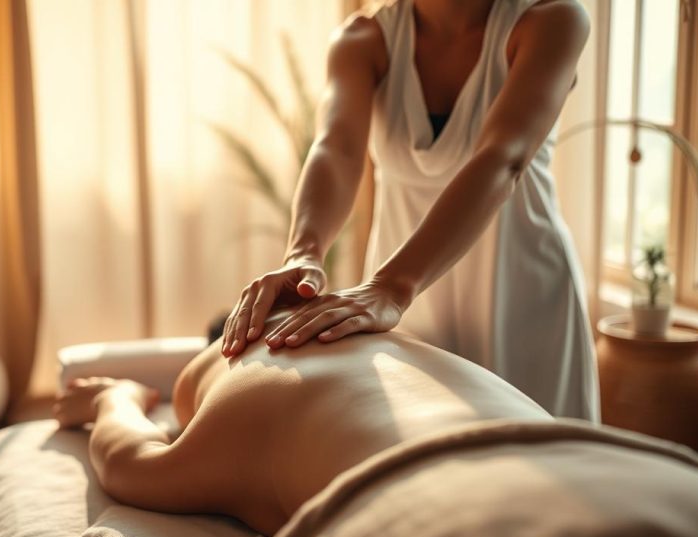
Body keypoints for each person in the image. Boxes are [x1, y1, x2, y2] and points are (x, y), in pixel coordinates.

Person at [220, 0, 598, 420]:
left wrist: (392, 286)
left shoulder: (551, 20)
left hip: (518, 304)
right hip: (403, 311)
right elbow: (337, 150)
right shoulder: (361, 40)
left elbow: (501, 158)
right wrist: (303, 253)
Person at [53, 309, 550, 536]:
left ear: (220, 355)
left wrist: (114, 398)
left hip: (445, 519)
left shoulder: (237, 407)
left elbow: (126, 461)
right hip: (570, 458)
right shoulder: (404, 344)